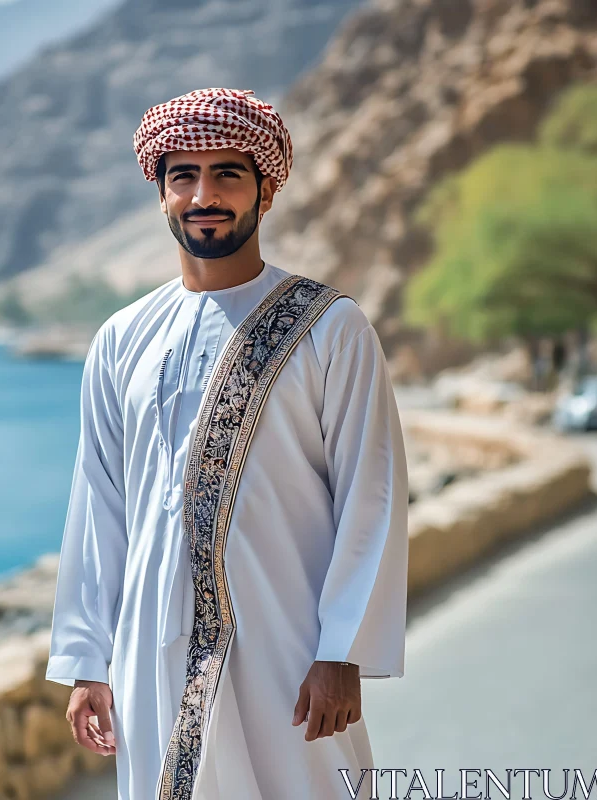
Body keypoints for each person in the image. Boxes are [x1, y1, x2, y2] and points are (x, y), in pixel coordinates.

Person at [46, 87, 409, 800]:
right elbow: (98, 505)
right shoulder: (122, 339)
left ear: (265, 192)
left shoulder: (330, 326)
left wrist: (342, 653)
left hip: (287, 643)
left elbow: (372, 495)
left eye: (228, 175)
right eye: (183, 175)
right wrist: (89, 661)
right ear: (160, 193)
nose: (203, 194)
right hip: (151, 649)